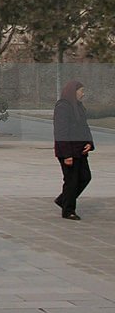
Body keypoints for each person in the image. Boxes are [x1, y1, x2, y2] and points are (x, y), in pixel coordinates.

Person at [53, 80, 94, 220]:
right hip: (68, 150)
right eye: (81, 91)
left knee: (85, 177)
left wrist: (89, 143)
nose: (83, 94)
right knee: (71, 181)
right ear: (73, 92)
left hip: (80, 150)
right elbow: (61, 132)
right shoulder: (63, 107)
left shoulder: (79, 107)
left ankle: (63, 200)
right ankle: (68, 210)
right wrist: (67, 155)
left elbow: (84, 127)